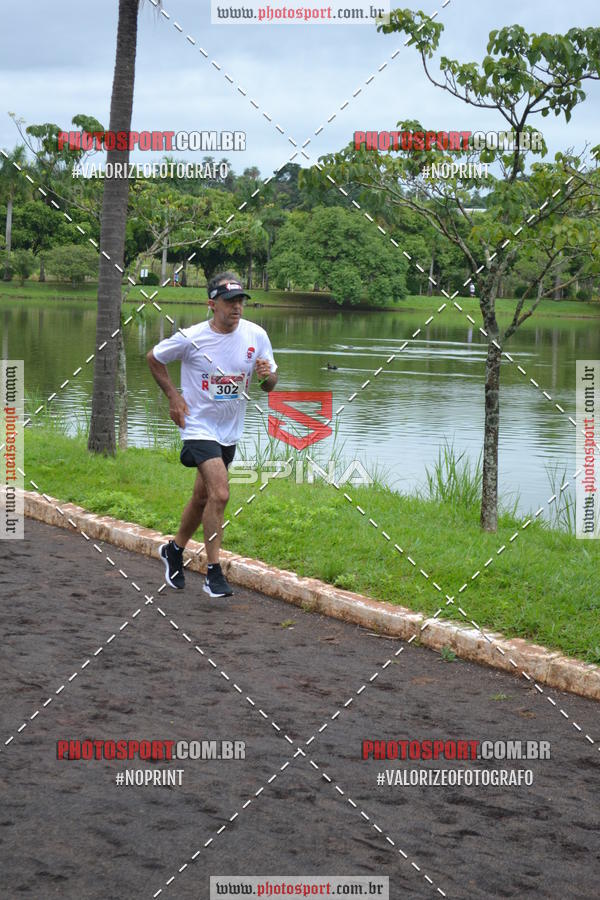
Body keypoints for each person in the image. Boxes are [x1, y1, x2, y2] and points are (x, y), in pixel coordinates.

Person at [146, 271, 278, 597]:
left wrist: (266, 377)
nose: (236, 308)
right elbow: (154, 357)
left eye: (240, 301)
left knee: (202, 497)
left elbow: (271, 384)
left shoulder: (256, 335)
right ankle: (213, 572)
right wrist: (174, 397)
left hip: (229, 430)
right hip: (197, 424)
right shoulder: (192, 338)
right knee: (220, 493)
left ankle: (174, 550)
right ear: (211, 304)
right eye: (229, 301)